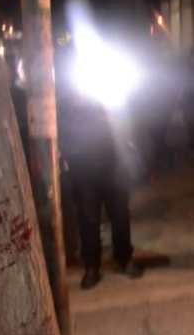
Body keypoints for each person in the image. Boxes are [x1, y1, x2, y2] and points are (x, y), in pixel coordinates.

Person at [59, 86, 141, 290]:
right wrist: (72, 160)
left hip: (114, 169)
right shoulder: (70, 104)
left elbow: (126, 128)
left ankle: (124, 258)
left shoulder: (111, 98)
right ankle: (91, 267)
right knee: (88, 221)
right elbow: (64, 135)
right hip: (84, 172)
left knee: (120, 216)